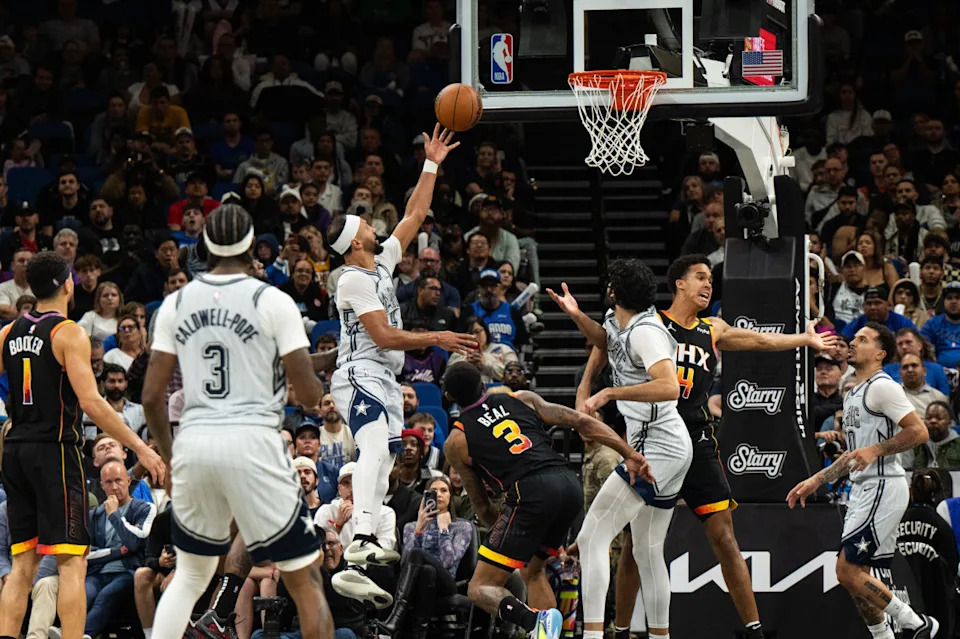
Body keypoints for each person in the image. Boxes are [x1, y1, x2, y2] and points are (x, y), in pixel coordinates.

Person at [561, 254, 835, 639]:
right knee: (637, 543)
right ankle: (623, 627)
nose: (708, 286)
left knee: (722, 537)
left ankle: (753, 629)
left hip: (695, 439)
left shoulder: (712, 328)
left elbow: (760, 340)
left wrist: (803, 339)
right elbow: (604, 344)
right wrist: (586, 391)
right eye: (700, 278)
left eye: (710, 280)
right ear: (679, 284)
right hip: (656, 434)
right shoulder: (649, 322)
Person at [142, 204, 333, 639]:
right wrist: (312, 367)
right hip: (252, 441)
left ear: (206, 246)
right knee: (305, 581)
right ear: (252, 246)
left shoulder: (175, 302)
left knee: (190, 576)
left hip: (194, 442)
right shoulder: (272, 300)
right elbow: (306, 395)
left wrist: (171, 461)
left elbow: (152, 397)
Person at [324, 125, 476, 602]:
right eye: (364, 223)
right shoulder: (350, 278)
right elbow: (386, 335)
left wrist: (431, 163)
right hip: (359, 371)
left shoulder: (382, 261)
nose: (373, 224)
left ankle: (361, 550)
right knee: (372, 446)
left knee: (385, 456)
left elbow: (414, 213)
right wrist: (437, 335)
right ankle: (365, 533)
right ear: (354, 243)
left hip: (384, 376)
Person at [0, 252, 163, 639]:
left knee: (22, 563)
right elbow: (92, 403)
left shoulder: (7, 333)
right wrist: (141, 447)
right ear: (67, 283)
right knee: (72, 560)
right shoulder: (67, 332)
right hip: (53, 451)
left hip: (16, 450)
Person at [442, 362, 651, 639]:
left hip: (529, 494)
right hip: (567, 483)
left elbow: (482, 507)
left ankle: (533, 622)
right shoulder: (522, 399)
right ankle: (551, 633)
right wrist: (628, 453)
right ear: (483, 385)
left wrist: (510, 530)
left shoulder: (456, 442)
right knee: (534, 569)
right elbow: (580, 421)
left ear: (448, 398)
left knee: (480, 587)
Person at [788, 322, 937, 639]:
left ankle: (916, 622)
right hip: (864, 487)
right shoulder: (853, 392)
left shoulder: (883, 387)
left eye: (863, 339)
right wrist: (818, 479)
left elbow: (919, 431)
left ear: (880, 353)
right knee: (860, 579)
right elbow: (855, 454)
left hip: (883, 484)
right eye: (853, 338)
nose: (852, 343)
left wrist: (877, 449)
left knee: (846, 571)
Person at [378, 475, 473, 638]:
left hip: (447, 582)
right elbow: (405, 563)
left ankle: (396, 617)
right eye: (433, 491)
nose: (439, 495)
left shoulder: (462, 527)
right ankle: (419, 633)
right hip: (419, 582)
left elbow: (448, 562)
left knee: (418, 555)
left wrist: (444, 530)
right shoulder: (411, 527)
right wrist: (420, 530)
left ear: (451, 496)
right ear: (425, 497)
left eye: (444, 490)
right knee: (426, 571)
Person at [896, 471, 958, 638]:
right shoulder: (941, 524)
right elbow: (952, 564)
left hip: (902, 594)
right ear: (935, 494)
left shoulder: (898, 520)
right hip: (934, 596)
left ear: (912, 493)